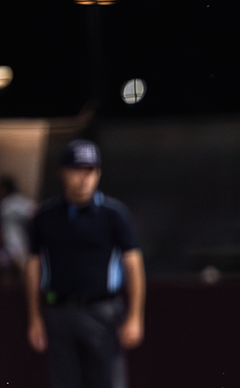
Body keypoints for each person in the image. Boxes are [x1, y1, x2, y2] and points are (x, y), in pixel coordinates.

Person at [25, 139, 146, 388]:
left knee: (109, 381)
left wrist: (135, 316)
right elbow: (33, 265)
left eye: (90, 171)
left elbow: (133, 264)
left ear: (98, 174)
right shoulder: (45, 216)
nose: (83, 179)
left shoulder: (113, 214)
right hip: (59, 310)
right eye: (76, 170)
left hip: (103, 311)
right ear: (63, 173)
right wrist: (35, 317)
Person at [1, 175, 36, 274]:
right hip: (9, 249)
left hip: (17, 247)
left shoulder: (12, 203)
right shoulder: (7, 203)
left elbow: (34, 212)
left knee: (23, 272)